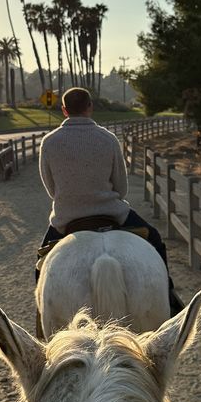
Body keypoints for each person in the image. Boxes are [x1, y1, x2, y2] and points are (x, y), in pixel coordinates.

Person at [38, 86, 184, 315]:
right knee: (155, 239)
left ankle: (40, 316)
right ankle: (170, 298)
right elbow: (121, 188)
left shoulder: (49, 142)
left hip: (67, 218)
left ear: (64, 110)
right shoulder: (108, 138)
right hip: (112, 213)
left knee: (41, 261)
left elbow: (51, 189)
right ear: (90, 107)